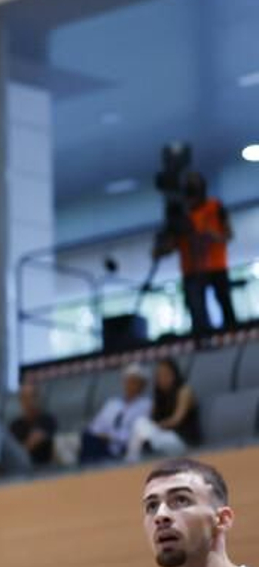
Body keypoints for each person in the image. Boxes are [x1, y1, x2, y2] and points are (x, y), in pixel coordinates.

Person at [164, 171, 237, 336]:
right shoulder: (179, 215)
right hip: (192, 269)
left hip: (216, 265)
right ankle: (203, 339)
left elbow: (228, 234)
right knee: (197, 309)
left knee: (225, 302)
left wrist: (212, 235)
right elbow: (170, 244)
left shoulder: (215, 206)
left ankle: (233, 334)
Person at [80, 364, 153, 464]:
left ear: (142, 385)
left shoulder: (146, 405)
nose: (129, 385)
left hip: (124, 448)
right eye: (127, 381)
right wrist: (101, 435)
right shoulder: (112, 404)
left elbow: (139, 432)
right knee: (86, 438)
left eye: (134, 382)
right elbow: (95, 427)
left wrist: (112, 437)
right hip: (102, 445)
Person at [132, 357, 203, 459]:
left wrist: (156, 427)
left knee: (143, 427)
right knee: (140, 423)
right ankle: (132, 459)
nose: (162, 378)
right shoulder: (158, 396)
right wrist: (152, 427)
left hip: (183, 440)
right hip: (164, 437)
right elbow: (151, 419)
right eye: (159, 376)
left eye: (166, 374)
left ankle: (131, 460)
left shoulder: (184, 391)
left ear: (174, 374)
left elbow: (176, 420)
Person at [6, 378, 57, 472]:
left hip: (42, 469)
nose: (29, 402)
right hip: (19, 470)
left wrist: (18, 450)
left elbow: (33, 442)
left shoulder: (46, 420)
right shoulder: (15, 425)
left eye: (32, 397)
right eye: (25, 398)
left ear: (37, 397)